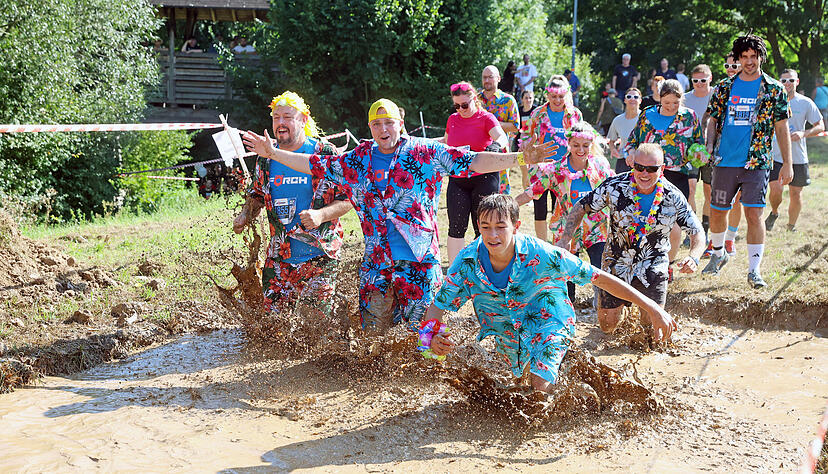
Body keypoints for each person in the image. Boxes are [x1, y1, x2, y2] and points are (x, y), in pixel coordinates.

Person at [242, 98, 554, 335]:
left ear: (400, 122)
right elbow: (312, 164)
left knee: (427, 338)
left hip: (419, 261)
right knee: (374, 340)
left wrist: (521, 158)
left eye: (389, 123)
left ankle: (429, 383)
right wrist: (273, 154)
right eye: (377, 125)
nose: (383, 130)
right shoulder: (358, 159)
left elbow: (473, 160)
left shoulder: (424, 153)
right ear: (370, 128)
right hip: (377, 263)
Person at [424, 194, 677, 393]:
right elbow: (438, 305)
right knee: (516, 380)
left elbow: (600, 278)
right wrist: (430, 343)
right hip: (506, 331)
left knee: (539, 384)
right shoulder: (467, 261)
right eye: (485, 227)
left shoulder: (543, 254)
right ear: (478, 226)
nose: (492, 235)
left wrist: (653, 309)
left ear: (516, 226)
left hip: (549, 319)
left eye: (501, 226)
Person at [559, 143, 705, 333]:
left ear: (662, 169)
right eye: (639, 167)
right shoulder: (614, 186)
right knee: (607, 327)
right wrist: (566, 237)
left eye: (651, 169)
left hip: (653, 264)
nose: (644, 174)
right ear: (632, 165)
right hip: (616, 262)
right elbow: (581, 206)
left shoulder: (673, 196)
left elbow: (697, 231)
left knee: (650, 331)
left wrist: (693, 257)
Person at [233, 91, 352, 315]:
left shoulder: (323, 153)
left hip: (319, 256)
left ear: (303, 120)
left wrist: (321, 215)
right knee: (272, 326)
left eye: (287, 116)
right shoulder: (266, 158)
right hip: (279, 258)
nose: (280, 123)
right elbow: (257, 194)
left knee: (315, 325)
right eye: (276, 117)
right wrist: (245, 215)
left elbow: (347, 198)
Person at [702, 34, 793, 288]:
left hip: (758, 162)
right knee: (719, 211)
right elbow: (713, 120)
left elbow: (782, 127)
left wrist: (787, 162)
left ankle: (754, 271)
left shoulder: (774, 89)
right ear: (738, 58)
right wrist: (709, 145)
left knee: (755, 215)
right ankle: (718, 254)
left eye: (754, 57)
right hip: (725, 161)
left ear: (761, 57)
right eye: (745, 57)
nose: (750, 61)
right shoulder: (724, 87)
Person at [516, 122, 613, 307]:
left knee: (600, 269)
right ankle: (568, 307)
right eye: (576, 145)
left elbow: (614, 189)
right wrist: (508, 205)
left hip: (596, 227)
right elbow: (532, 191)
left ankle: (602, 306)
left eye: (585, 146)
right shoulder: (556, 169)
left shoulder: (600, 165)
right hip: (566, 229)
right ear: (568, 143)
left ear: (591, 145)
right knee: (566, 275)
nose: (581, 150)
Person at [626, 79, 704, 281]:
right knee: (644, 220)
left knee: (675, 225)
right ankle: (639, 262)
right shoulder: (647, 115)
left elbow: (698, 143)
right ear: (659, 98)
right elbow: (633, 141)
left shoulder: (689, 117)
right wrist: (630, 153)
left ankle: (666, 265)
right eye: (667, 102)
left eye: (675, 103)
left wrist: (700, 155)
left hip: (677, 174)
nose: (671, 107)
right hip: (648, 174)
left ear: (681, 100)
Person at [444, 81, 509, 265]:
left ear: (474, 99)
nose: (461, 109)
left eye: (464, 105)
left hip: (484, 177)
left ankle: (486, 268)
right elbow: (446, 142)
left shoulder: (486, 118)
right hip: (458, 179)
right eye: (457, 106)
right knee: (456, 227)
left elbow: (501, 136)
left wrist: (495, 146)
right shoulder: (453, 119)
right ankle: (454, 273)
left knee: (484, 226)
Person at [519, 75, 583, 242]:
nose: (557, 100)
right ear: (547, 95)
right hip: (540, 169)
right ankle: (542, 245)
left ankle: (559, 246)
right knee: (540, 209)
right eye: (553, 96)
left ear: (566, 95)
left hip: (565, 170)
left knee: (563, 209)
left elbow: (582, 139)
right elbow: (526, 138)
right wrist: (526, 161)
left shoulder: (574, 114)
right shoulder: (537, 113)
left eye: (560, 97)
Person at [766, 69, 825, 232]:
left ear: (797, 82)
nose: (787, 84)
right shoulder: (772, 102)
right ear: (779, 82)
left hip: (798, 156)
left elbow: (820, 126)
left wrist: (803, 133)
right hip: (776, 155)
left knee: (796, 194)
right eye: (783, 81)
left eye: (790, 80)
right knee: (776, 189)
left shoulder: (805, 102)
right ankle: (775, 212)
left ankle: (790, 226)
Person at [683, 64, 715, 239]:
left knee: (709, 191)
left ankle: (705, 228)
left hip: (712, 150)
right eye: (696, 80)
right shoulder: (685, 99)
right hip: (690, 152)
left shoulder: (717, 95)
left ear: (710, 79)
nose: (700, 83)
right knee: (690, 189)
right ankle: (692, 230)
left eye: (703, 80)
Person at [479, 65, 520, 192]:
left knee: (501, 191)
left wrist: (492, 124)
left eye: (490, 77)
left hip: (500, 153)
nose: (487, 80)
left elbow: (515, 127)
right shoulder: (475, 100)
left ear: (498, 79)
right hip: (478, 153)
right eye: (484, 77)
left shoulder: (508, 101)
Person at [608, 88, 642, 173]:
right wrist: (613, 150)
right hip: (623, 161)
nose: (632, 99)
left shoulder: (645, 118)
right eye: (629, 96)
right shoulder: (618, 120)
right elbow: (611, 141)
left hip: (641, 161)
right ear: (625, 100)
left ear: (640, 100)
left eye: (636, 97)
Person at [517, 89, 538, 188]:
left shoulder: (536, 111)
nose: (528, 100)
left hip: (534, 144)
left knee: (533, 171)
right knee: (524, 170)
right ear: (522, 99)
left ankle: (532, 192)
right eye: (526, 98)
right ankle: (526, 192)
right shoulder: (519, 111)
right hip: (521, 143)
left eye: (530, 98)